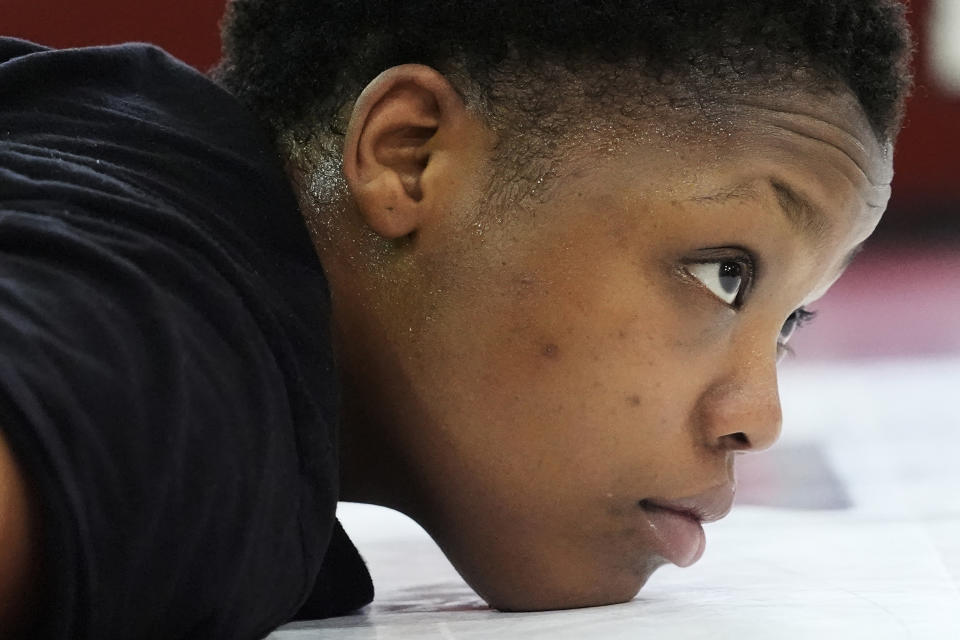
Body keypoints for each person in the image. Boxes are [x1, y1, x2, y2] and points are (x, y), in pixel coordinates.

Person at [0, 1, 912, 638]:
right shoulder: (173, 367)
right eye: (723, 273)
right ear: (410, 159)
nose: (757, 418)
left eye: (792, 323)